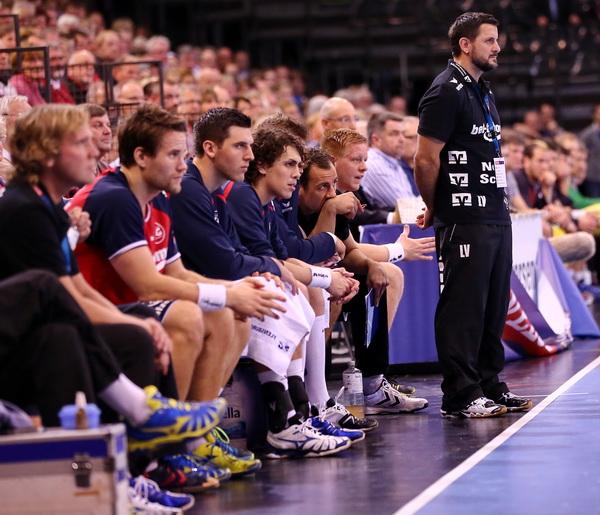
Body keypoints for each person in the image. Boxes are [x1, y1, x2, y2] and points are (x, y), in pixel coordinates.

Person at [0, 105, 225, 459]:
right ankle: (146, 435)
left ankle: (161, 454)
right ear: (46, 153)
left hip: (54, 323)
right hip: (22, 343)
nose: (96, 150)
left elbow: (77, 288)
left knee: (143, 326)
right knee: (131, 331)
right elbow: (63, 294)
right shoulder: (23, 208)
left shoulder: (47, 206)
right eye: (81, 142)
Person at [170, 107, 356, 458]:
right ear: (210, 148)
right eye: (241, 146)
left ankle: (297, 413)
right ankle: (278, 420)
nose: (250, 154)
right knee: (275, 291)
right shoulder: (209, 192)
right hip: (189, 292)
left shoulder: (216, 194)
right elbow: (228, 261)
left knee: (284, 289)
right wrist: (287, 268)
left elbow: (249, 253)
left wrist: (279, 267)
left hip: (204, 284)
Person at [414, 12, 533, 418]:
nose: (497, 47)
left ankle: (488, 384)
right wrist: (436, 206)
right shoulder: (445, 91)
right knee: (463, 305)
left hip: (494, 212)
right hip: (463, 214)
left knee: (492, 304)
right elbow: (425, 159)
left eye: (497, 40)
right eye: (489, 40)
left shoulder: (483, 91)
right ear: (465, 44)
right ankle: (460, 394)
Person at [299, 136, 433, 414]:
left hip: (320, 273)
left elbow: (350, 251)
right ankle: (311, 389)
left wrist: (374, 266)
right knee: (331, 285)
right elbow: (314, 253)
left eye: (365, 159)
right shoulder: (308, 203)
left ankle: (371, 382)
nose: (364, 167)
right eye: (356, 159)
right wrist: (397, 250)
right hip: (301, 279)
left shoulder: (338, 200)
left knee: (379, 275)